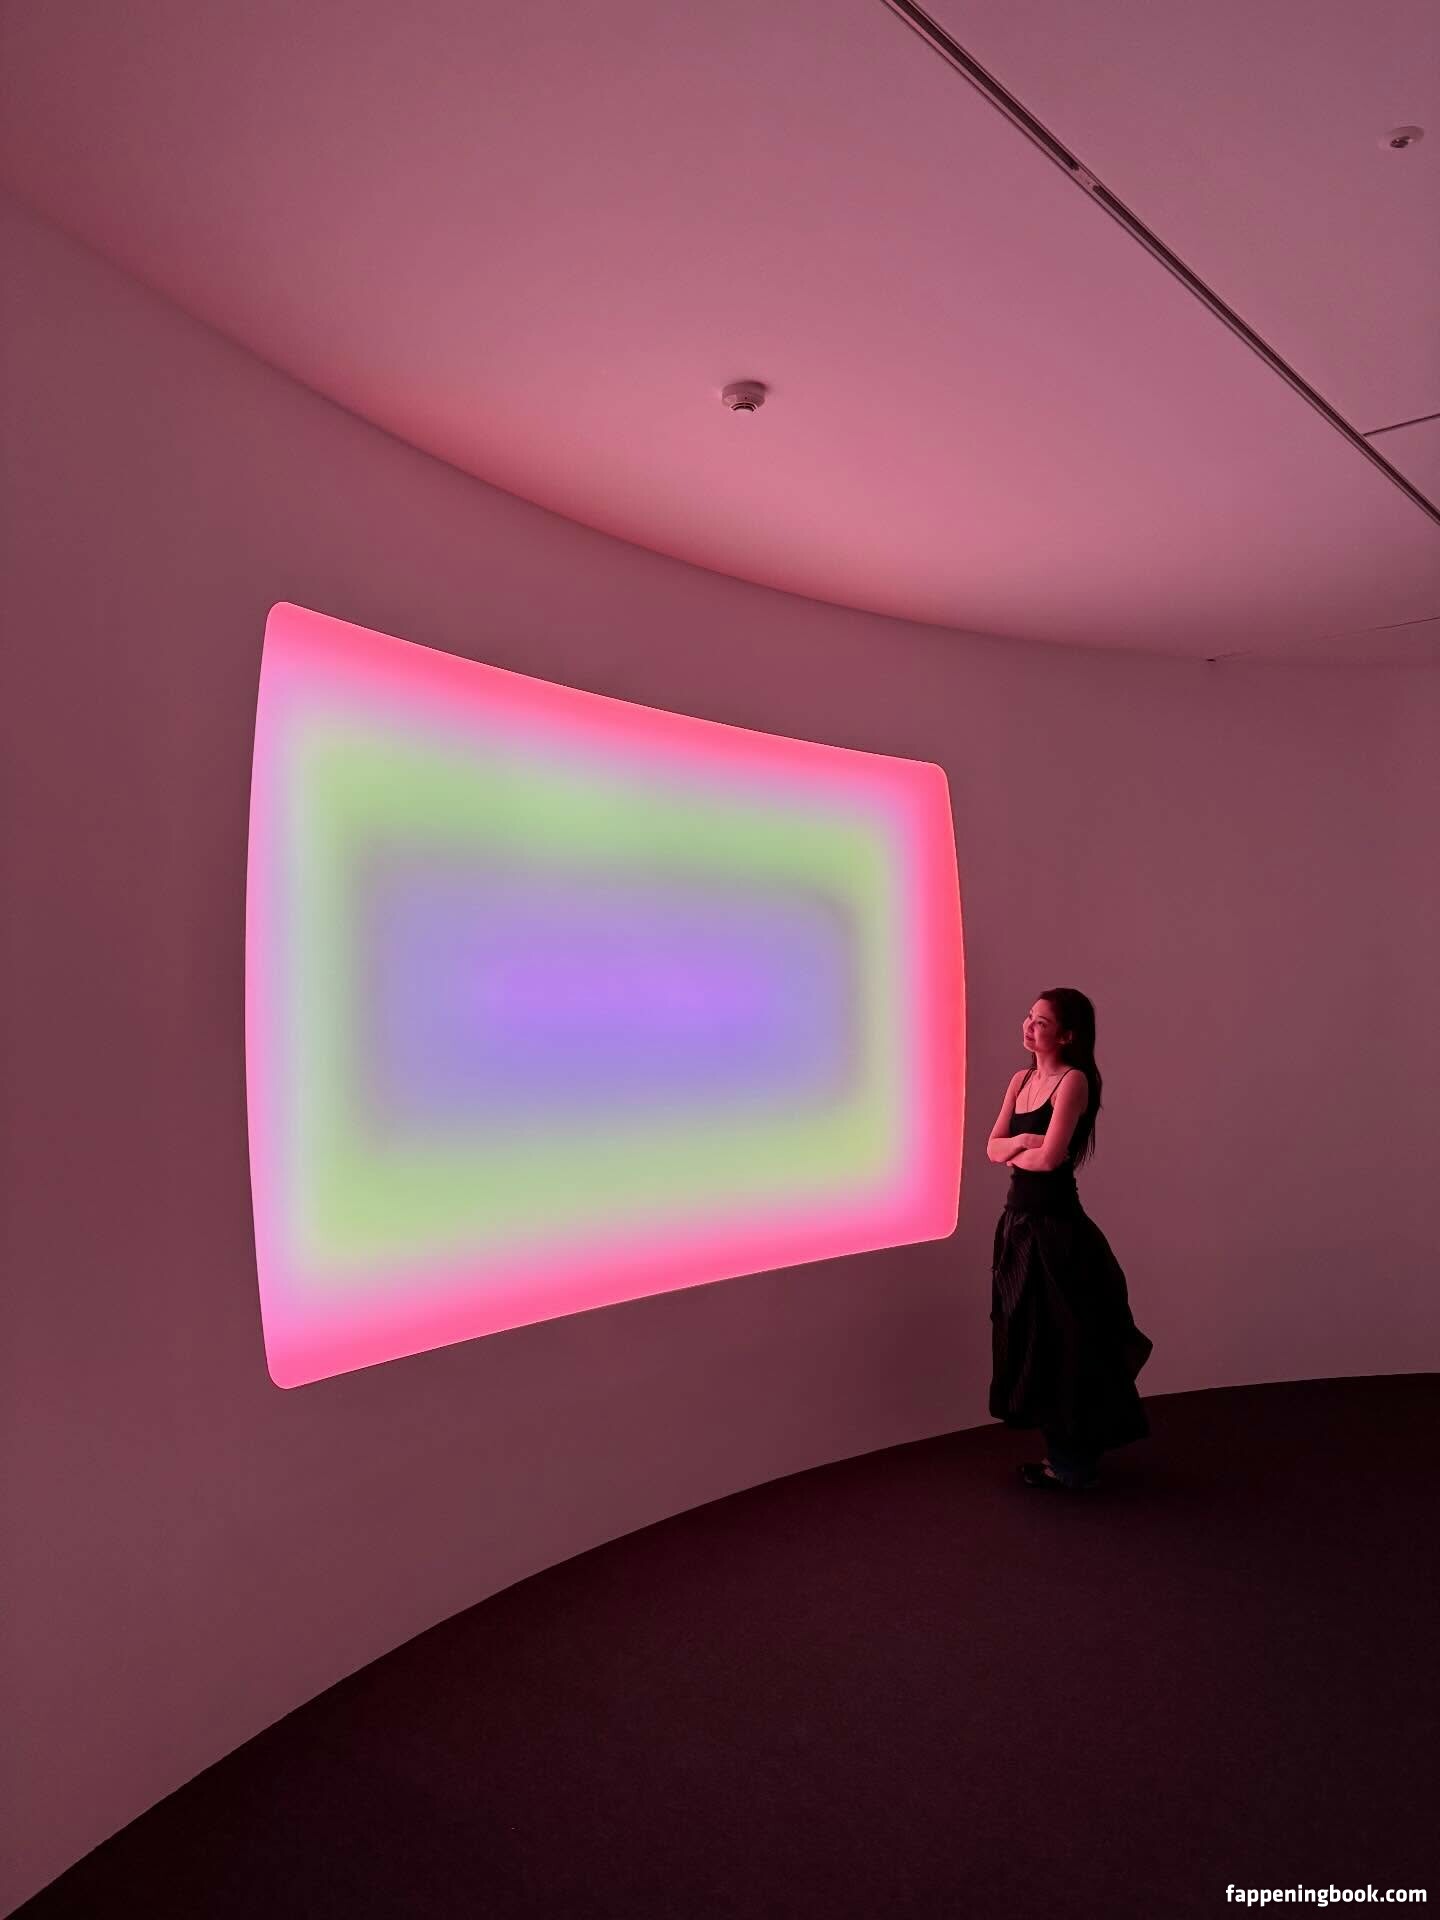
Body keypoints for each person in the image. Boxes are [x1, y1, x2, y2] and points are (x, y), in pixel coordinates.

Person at [986, 988, 1152, 1491]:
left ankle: (1072, 1461)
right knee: (1032, 1339)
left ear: (1067, 1034)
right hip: (1018, 1226)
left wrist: (1020, 1150)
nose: (1029, 1026)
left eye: (1041, 1021)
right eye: (1029, 1017)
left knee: (1068, 1340)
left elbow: (1050, 1159)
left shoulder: (1073, 1081)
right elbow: (992, 1148)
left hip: (1057, 1230)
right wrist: (1022, 1141)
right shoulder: (1020, 1080)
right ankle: (1064, 1457)